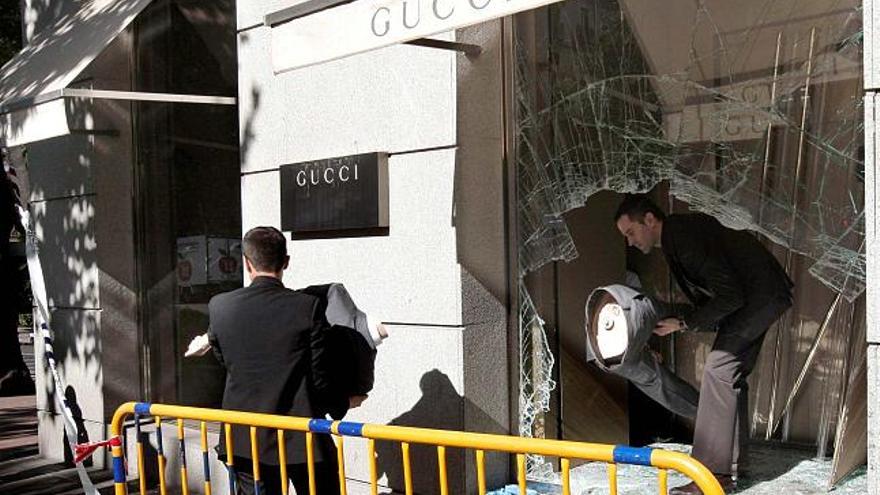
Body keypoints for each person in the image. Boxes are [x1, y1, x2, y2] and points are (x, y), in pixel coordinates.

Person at [614, 195, 793, 495]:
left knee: (718, 370)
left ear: (649, 219)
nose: (630, 242)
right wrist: (678, 320)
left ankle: (710, 475)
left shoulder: (680, 236)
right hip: (762, 296)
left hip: (758, 297)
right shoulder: (678, 238)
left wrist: (684, 323)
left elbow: (730, 296)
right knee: (729, 375)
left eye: (630, 232)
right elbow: (718, 299)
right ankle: (733, 465)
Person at [208, 226, 350, 495]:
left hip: (244, 438)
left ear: (247, 263)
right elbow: (320, 376)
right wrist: (341, 404)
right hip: (301, 436)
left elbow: (225, 361)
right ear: (286, 261)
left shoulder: (220, 306)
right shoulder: (307, 307)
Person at [584, 284, 699, 419]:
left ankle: (705, 412)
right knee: (664, 310)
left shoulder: (625, 348)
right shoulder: (642, 311)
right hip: (610, 298)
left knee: (659, 383)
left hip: (605, 347)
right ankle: (697, 316)